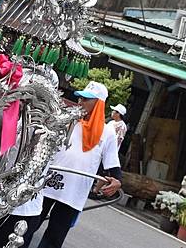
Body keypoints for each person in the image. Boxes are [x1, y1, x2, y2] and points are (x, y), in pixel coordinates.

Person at [35, 81, 122, 248]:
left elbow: (112, 162)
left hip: (74, 191)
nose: (80, 102)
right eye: (80, 98)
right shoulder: (68, 120)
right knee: (29, 224)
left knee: (55, 236)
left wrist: (117, 179)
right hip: (48, 182)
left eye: (86, 99)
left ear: (98, 104)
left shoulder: (108, 132)